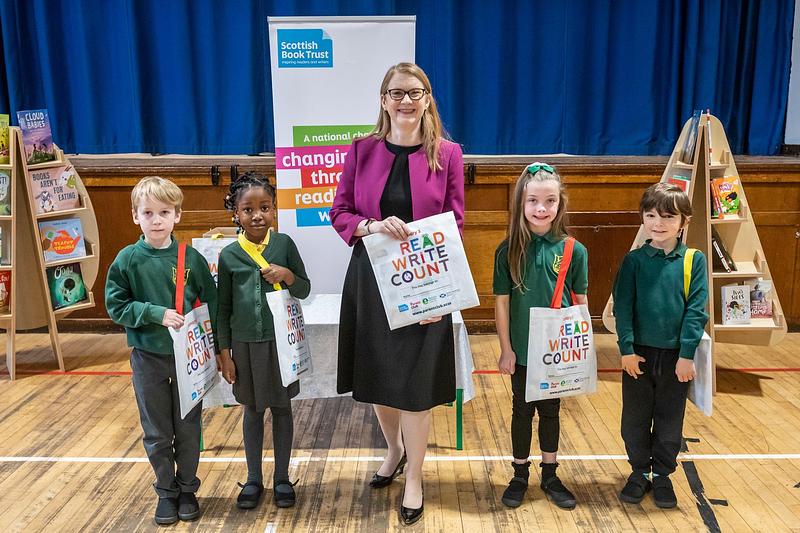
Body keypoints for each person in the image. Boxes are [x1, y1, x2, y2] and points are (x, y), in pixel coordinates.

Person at [330, 62, 464, 526]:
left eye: (415, 92)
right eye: (396, 92)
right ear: (384, 99)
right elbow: (340, 212)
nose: (405, 100)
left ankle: (415, 478)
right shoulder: (361, 149)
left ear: (427, 98)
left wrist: (437, 295)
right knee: (379, 377)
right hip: (371, 280)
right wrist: (369, 225)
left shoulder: (448, 154)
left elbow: (456, 224)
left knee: (416, 387)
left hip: (425, 281)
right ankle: (394, 452)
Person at [105, 176, 217, 525]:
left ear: (177, 216)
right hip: (147, 358)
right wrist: (154, 314)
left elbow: (211, 303)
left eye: (164, 212)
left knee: (187, 428)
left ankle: (187, 489)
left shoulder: (191, 258)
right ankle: (166, 492)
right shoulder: (127, 260)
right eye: (148, 212)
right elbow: (116, 306)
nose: (156, 220)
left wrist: (215, 347)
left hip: (188, 360)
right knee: (156, 431)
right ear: (135, 216)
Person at [493, 163, 588, 510]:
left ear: (560, 204)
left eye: (550, 201)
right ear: (521, 203)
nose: (541, 208)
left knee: (551, 412)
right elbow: (502, 305)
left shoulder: (574, 250)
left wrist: (583, 349)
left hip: (556, 353)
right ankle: (520, 473)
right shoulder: (507, 251)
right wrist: (506, 349)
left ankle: (550, 473)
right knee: (522, 411)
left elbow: (581, 302)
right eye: (533, 200)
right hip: (522, 351)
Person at [216, 172, 311, 510]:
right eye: (248, 210)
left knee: (282, 408)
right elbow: (222, 308)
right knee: (253, 410)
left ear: (274, 209)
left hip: (281, 344)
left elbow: (304, 288)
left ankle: (282, 477)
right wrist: (224, 354)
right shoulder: (228, 255)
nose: (257, 215)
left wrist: (286, 275)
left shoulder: (284, 245)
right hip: (244, 345)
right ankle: (253, 478)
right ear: (235, 213)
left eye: (264, 207)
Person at [612, 182, 708, 508]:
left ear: (684, 222)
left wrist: (685, 355)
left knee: (669, 424)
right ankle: (639, 472)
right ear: (642, 218)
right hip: (638, 355)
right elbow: (622, 308)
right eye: (651, 215)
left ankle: (662, 476)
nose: (658, 222)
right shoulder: (634, 261)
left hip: (674, 361)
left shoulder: (693, 260)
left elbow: (696, 310)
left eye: (668, 216)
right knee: (634, 422)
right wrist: (626, 349)